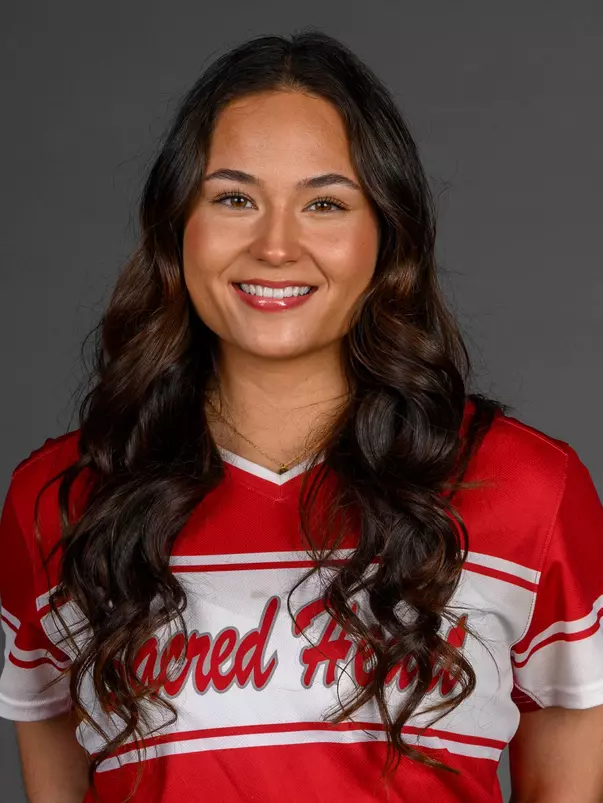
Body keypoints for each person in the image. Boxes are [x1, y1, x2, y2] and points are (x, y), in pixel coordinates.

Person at [0, 29, 602, 803]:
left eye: (324, 203)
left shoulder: (527, 488)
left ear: (386, 238)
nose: (275, 244)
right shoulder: (59, 501)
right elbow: (48, 731)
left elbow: (570, 729)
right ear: (174, 227)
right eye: (233, 198)